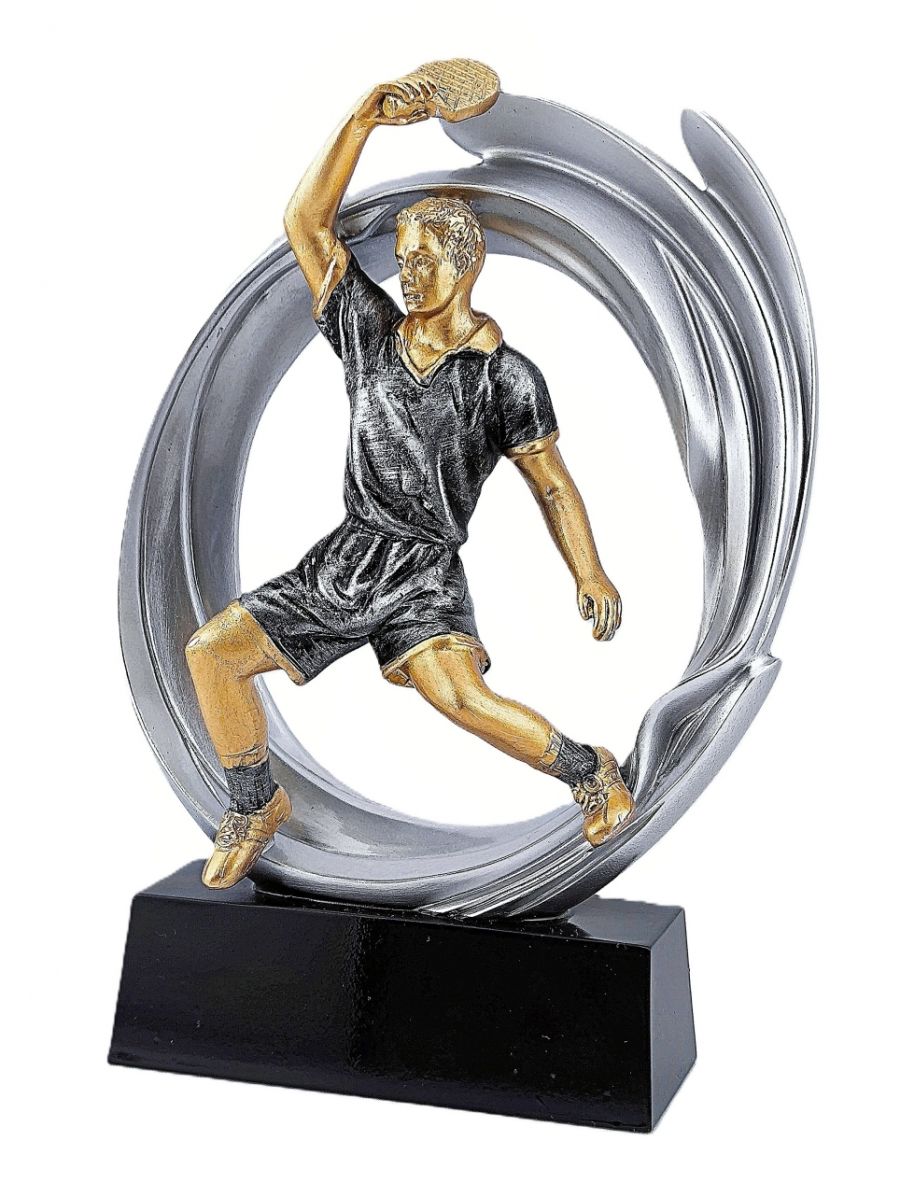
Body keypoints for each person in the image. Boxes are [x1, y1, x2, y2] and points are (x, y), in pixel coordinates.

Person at [186, 72, 634, 889]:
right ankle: (255, 802)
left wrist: (589, 571)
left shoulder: (506, 377)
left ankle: (591, 772)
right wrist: (362, 119)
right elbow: (305, 223)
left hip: (424, 571)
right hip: (349, 556)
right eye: (402, 262)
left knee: (460, 701)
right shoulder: (369, 332)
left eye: (423, 261)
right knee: (213, 654)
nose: (409, 276)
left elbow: (552, 485)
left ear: (466, 262)